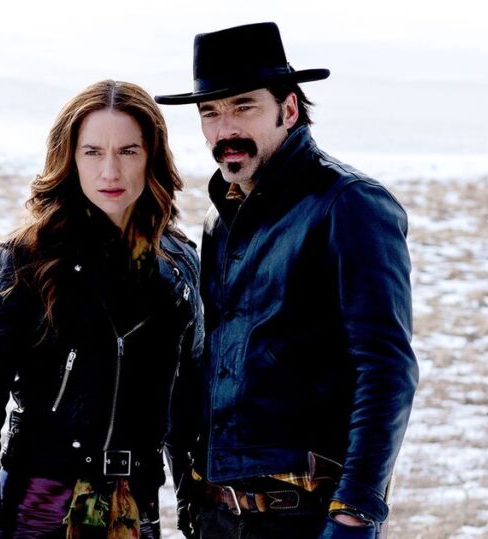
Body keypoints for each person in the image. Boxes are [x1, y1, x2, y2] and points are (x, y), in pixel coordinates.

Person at [155, 22, 419, 538]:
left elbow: (387, 368)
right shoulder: (220, 220)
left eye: (244, 107)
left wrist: (356, 511)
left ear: (289, 109)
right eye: (210, 113)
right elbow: (206, 363)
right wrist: (190, 490)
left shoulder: (349, 205)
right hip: (217, 517)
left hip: (305, 518)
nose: (225, 129)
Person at [0, 79, 204, 539]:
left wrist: (194, 504)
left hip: (135, 505)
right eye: (92, 152)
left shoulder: (178, 263)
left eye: (128, 151)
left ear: (152, 157)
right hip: (39, 504)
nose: (110, 171)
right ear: (70, 158)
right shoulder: (26, 258)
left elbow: (187, 407)